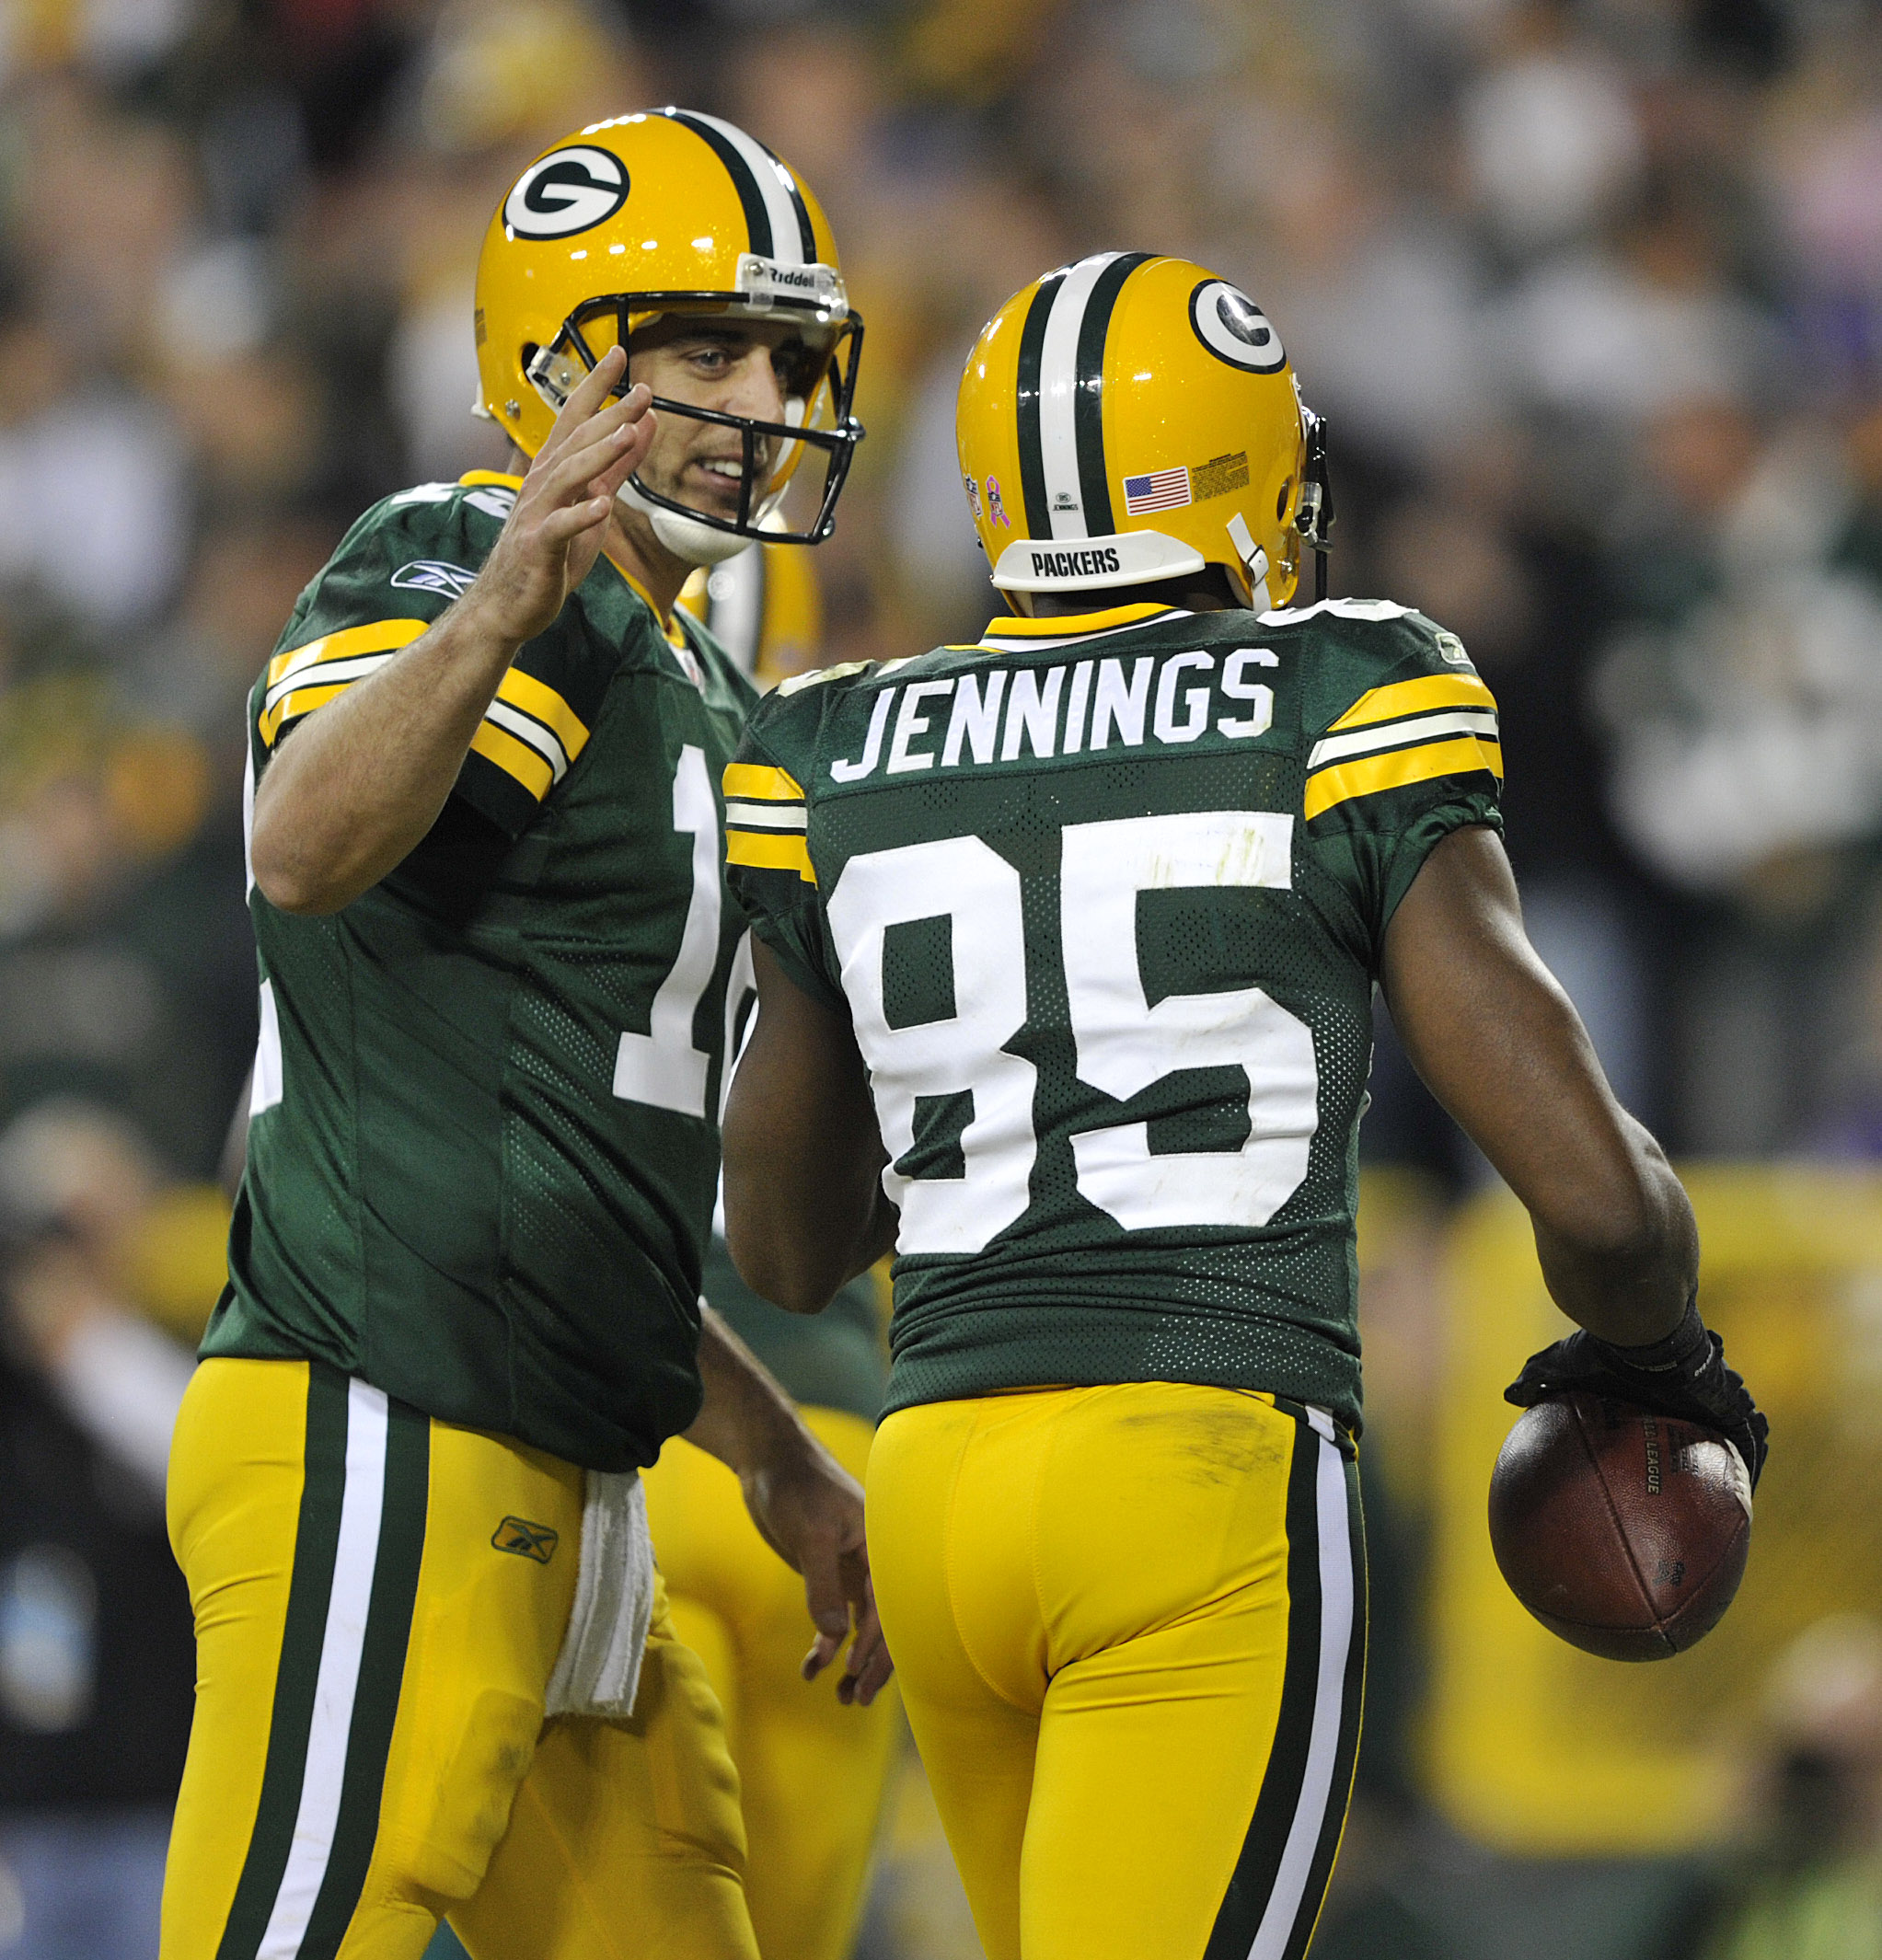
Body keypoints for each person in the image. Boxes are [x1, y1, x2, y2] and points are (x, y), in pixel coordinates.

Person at [717, 250, 1768, 1960]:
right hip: (1199, 1463)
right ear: (1241, 462)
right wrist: (1660, 1345)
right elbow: (1588, 1195)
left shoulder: (831, 739)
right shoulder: (1340, 690)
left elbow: (781, 1242)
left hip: (936, 1489)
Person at [161, 110, 886, 1960]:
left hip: (579, 1473)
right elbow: (304, 849)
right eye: (706, 349)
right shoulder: (465, 561)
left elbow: (588, 1178)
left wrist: (781, 1455)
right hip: (385, 1423)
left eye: (788, 359)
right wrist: (499, 603)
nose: (760, 398)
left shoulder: (709, 689)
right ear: (555, 362)